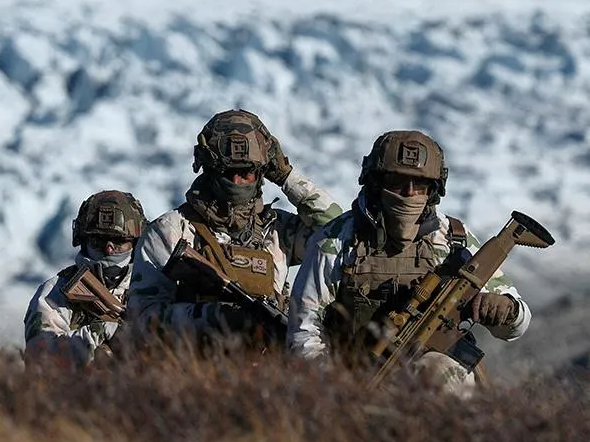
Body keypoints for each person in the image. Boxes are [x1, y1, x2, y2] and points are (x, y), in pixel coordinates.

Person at [288, 130, 531, 395]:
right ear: (375, 183)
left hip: (436, 381)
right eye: (397, 182)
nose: (409, 193)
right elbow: (304, 332)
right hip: (356, 380)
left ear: (434, 190)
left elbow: (516, 325)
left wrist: (506, 310)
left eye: (420, 184)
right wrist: (335, 388)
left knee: (443, 373)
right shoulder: (336, 240)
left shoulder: (453, 241)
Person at [125, 109, 342, 352]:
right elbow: (142, 320)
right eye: (228, 172)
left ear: (262, 173)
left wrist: (286, 176)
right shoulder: (171, 231)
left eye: (247, 172)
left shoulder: (278, 231)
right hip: (191, 374)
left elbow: (337, 232)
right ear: (209, 169)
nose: (237, 182)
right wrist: (213, 317)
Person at [24, 190, 147, 367]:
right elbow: (40, 360)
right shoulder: (55, 292)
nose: (109, 249)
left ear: (135, 243)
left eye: (118, 241)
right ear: (83, 240)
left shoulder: (151, 285)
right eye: (99, 240)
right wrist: (100, 331)